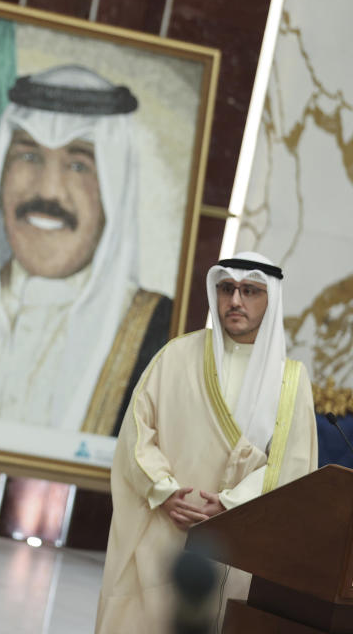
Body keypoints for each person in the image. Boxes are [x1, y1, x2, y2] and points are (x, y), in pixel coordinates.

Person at [0, 64, 170, 435]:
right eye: (28, 156)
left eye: (78, 165)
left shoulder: (158, 336)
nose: (49, 191)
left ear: (113, 190)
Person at [96, 251, 318, 633]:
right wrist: (163, 491)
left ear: (271, 299)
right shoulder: (176, 356)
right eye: (227, 289)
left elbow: (292, 467)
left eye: (250, 291)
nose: (235, 301)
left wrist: (233, 507)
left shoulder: (291, 381)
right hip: (163, 525)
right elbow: (136, 431)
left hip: (236, 539)